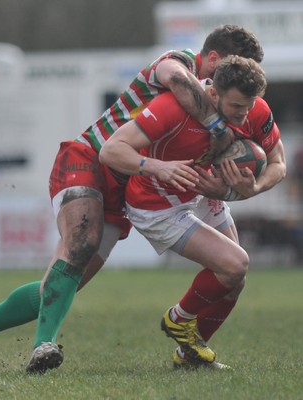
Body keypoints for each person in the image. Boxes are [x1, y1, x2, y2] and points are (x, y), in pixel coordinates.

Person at [0, 26, 265, 373]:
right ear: (213, 59)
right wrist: (218, 130)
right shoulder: (177, 63)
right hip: (89, 157)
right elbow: (176, 79)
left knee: (60, 287)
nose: (233, 78)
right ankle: (43, 346)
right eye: (232, 66)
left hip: (126, 182)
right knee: (81, 243)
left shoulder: (223, 104)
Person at [99, 55, 286, 369]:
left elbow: (278, 164)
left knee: (235, 278)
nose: (244, 115)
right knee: (236, 263)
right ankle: (179, 318)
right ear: (212, 94)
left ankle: (190, 357)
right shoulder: (172, 108)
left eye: (249, 105)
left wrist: (248, 190)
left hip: (201, 193)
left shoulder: (254, 110)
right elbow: (111, 150)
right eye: (237, 106)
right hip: (156, 204)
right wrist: (156, 166)